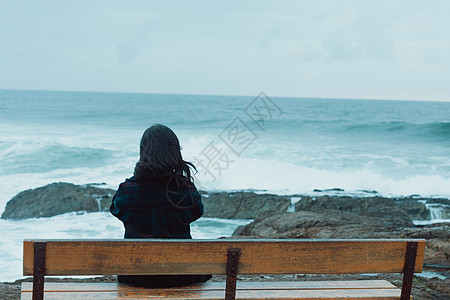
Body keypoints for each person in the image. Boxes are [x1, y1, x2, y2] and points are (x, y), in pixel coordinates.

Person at [110, 124, 211, 287]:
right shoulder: (185, 191)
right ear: (174, 153)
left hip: (136, 278)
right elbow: (197, 211)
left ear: (143, 152)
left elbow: (116, 209)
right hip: (182, 277)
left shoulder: (127, 191)